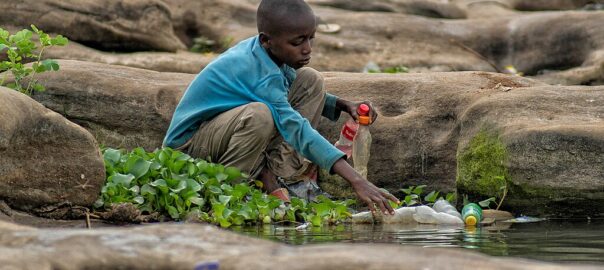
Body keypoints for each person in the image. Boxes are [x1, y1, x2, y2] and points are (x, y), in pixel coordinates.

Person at [163, 0, 398, 214]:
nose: (307, 48)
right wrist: (357, 180)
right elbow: (295, 127)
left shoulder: (266, 52)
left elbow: (285, 90)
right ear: (267, 40)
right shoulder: (257, 72)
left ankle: (277, 173)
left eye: (310, 38)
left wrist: (342, 104)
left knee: (310, 80)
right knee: (260, 115)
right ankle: (228, 190)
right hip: (188, 149)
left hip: (224, 128)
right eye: (298, 42)